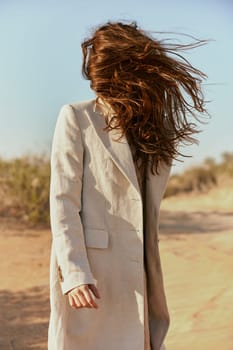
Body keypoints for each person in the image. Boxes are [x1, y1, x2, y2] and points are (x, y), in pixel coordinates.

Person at [48, 22, 207, 350]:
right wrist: (75, 272)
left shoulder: (153, 131)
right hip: (94, 274)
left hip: (140, 270)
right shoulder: (77, 117)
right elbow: (63, 201)